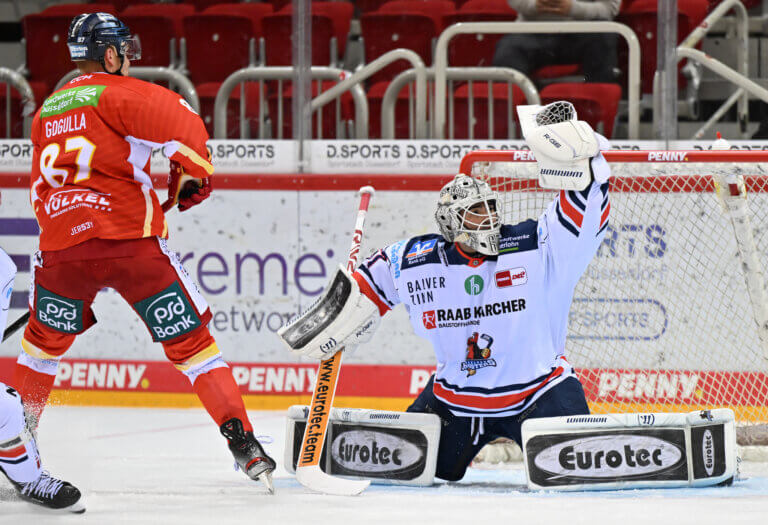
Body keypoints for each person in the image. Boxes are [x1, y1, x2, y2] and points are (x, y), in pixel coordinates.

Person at [11, 13, 275, 491]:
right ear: (110, 55)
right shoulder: (120, 92)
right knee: (194, 349)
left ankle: (17, 444)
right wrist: (191, 177)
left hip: (62, 250)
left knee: (40, 349)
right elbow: (190, 131)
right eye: (124, 53)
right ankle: (244, 441)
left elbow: (38, 191)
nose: (128, 61)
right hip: (132, 245)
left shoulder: (47, 109)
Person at [282, 103, 611, 482]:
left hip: (539, 393)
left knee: (585, 474)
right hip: (455, 402)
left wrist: (580, 167)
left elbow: (581, 218)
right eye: (475, 213)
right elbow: (365, 288)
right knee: (399, 469)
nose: (488, 219)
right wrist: (343, 319)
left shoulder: (535, 244)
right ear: (452, 223)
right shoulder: (417, 260)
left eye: (490, 208)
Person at [493, 0, 621, 84]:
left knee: (604, 36)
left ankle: (596, 115)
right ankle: (518, 118)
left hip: (584, 30)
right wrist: (535, 5)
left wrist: (573, 8)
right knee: (507, 52)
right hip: (530, 31)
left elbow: (609, 9)